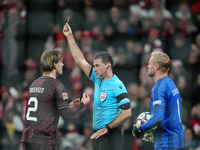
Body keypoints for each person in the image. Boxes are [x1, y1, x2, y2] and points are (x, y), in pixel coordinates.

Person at [63, 24, 132, 150]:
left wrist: (108, 127)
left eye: (97, 66)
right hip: (99, 133)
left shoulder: (117, 85)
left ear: (108, 66)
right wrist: (70, 37)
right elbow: (80, 60)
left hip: (111, 135)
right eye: (94, 66)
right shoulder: (97, 78)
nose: (94, 69)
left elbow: (127, 112)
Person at [21, 50, 90, 150]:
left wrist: (67, 106)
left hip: (28, 139)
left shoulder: (34, 83)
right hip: (45, 141)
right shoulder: (56, 85)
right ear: (54, 64)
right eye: (60, 62)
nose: (62, 64)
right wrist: (83, 103)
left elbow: (44, 109)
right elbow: (66, 114)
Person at [132, 51, 186, 150]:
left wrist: (140, 129)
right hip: (177, 140)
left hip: (167, 142)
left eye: (149, 64)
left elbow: (158, 117)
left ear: (156, 67)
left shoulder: (159, 88)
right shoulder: (170, 83)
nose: (147, 66)